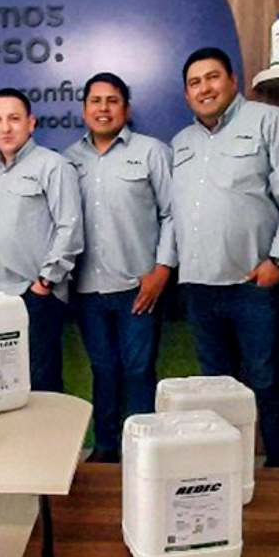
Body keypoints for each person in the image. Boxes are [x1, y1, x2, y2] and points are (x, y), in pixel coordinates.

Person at [171, 48, 279, 468]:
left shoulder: (271, 122)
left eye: (212, 77)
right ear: (186, 94)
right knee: (215, 386)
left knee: (266, 380)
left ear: (233, 80)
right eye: (195, 82)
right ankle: (223, 468)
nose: (204, 88)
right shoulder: (181, 143)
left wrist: (278, 259)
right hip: (199, 286)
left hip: (253, 283)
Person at [63, 73, 175, 463]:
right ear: (84, 110)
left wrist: (162, 270)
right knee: (104, 368)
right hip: (86, 288)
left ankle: (144, 448)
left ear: (125, 109)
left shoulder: (152, 152)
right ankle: (107, 446)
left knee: (139, 368)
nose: (103, 108)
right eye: (95, 101)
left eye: (112, 101)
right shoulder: (68, 160)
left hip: (138, 286)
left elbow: (172, 214)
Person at [0, 88, 84, 392]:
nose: (5, 127)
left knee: (42, 384)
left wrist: (44, 283)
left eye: (14, 118)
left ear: (31, 123)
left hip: (35, 296)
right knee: (5, 386)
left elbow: (70, 227)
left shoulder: (53, 165)